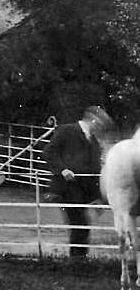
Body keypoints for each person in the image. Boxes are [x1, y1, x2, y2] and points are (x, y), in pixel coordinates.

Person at [42, 105, 113, 258]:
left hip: (82, 190)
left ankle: (78, 260)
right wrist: (63, 170)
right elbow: (49, 152)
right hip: (66, 187)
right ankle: (77, 261)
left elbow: (94, 171)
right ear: (92, 120)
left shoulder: (93, 142)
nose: (101, 127)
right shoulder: (67, 130)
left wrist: (97, 197)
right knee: (80, 223)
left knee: (82, 225)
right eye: (100, 123)